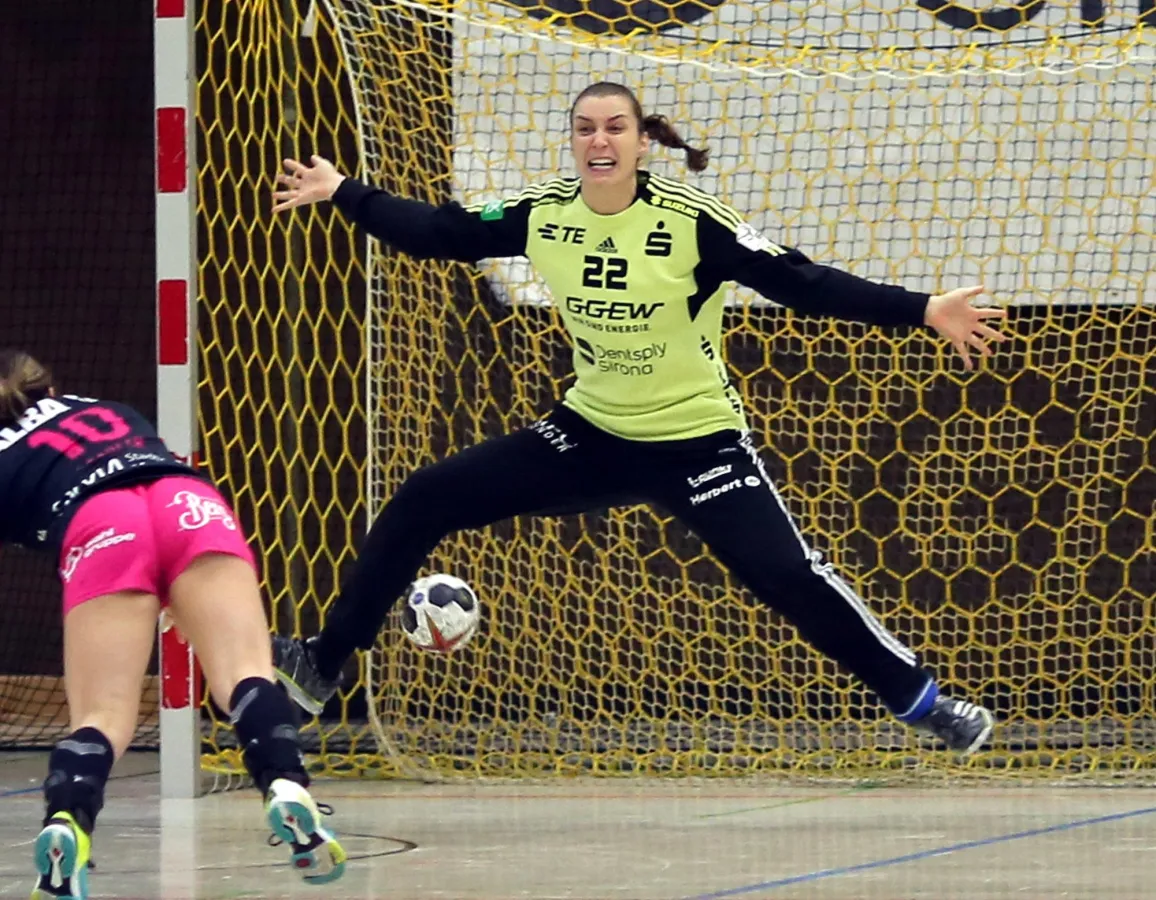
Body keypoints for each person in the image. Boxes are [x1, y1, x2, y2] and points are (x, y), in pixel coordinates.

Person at [269, 81, 1007, 756]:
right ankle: (323, 664)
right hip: (590, 434)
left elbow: (802, 283)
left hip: (698, 442)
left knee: (789, 574)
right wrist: (343, 191)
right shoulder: (546, 215)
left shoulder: (691, 222)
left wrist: (923, 310)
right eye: (585, 128)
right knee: (425, 498)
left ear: (640, 142)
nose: (600, 141)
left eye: (615, 128)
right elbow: (437, 232)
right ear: (573, 141)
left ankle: (926, 704)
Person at [0, 350, 346, 899]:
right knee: (245, 673)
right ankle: (285, 786)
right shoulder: (104, 408)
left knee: (102, 716)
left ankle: (66, 825)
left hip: (100, 523)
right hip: (187, 500)